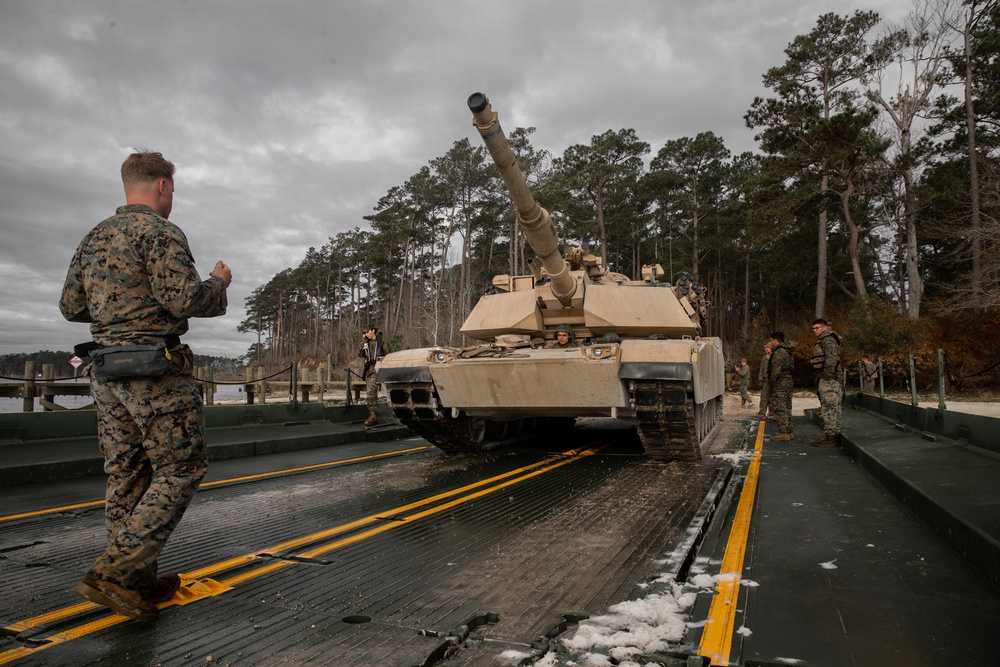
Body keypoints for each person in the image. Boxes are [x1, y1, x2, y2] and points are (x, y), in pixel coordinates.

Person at [59, 151, 231, 622]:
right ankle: (115, 572)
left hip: (106, 371)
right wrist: (218, 282)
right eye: (172, 188)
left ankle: (134, 580)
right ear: (161, 186)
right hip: (154, 368)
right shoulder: (159, 232)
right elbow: (186, 299)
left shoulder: (93, 237)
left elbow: (71, 306)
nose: (172, 196)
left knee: (127, 473)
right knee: (181, 467)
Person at [810, 318, 843, 447]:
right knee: (831, 406)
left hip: (829, 378)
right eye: (813, 329)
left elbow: (831, 358)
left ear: (824, 327)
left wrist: (827, 376)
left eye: (817, 328)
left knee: (829, 406)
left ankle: (831, 437)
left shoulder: (828, 340)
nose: (814, 331)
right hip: (826, 377)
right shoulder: (823, 340)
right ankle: (833, 435)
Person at [767, 332, 795, 441]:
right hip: (788, 381)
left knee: (780, 407)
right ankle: (789, 430)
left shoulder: (779, 352)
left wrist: (771, 382)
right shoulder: (788, 351)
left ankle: (784, 432)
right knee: (787, 407)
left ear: (775, 340)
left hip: (780, 384)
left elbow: (776, 370)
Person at [359, 326, 386, 426]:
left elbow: (387, 354)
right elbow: (360, 354)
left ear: (373, 330)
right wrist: (362, 342)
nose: (366, 334)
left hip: (378, 369)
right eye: (364, 333)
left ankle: (374, 414)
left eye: (367, 332)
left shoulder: (381, 342)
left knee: (371, 391)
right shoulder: (366, 343)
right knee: (370, 393)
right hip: (369, 370)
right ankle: (373, 414)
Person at [756, 344, 771, 420]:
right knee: (764, 396)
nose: (766, 349)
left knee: (773, 397)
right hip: (765, 380)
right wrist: (760, 379)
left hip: (774, 380)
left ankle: (772, 412)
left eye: (767, 347)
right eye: (765, 347)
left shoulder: (775, 357)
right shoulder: (764, 358)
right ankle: (762, 413)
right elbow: (761, 369)